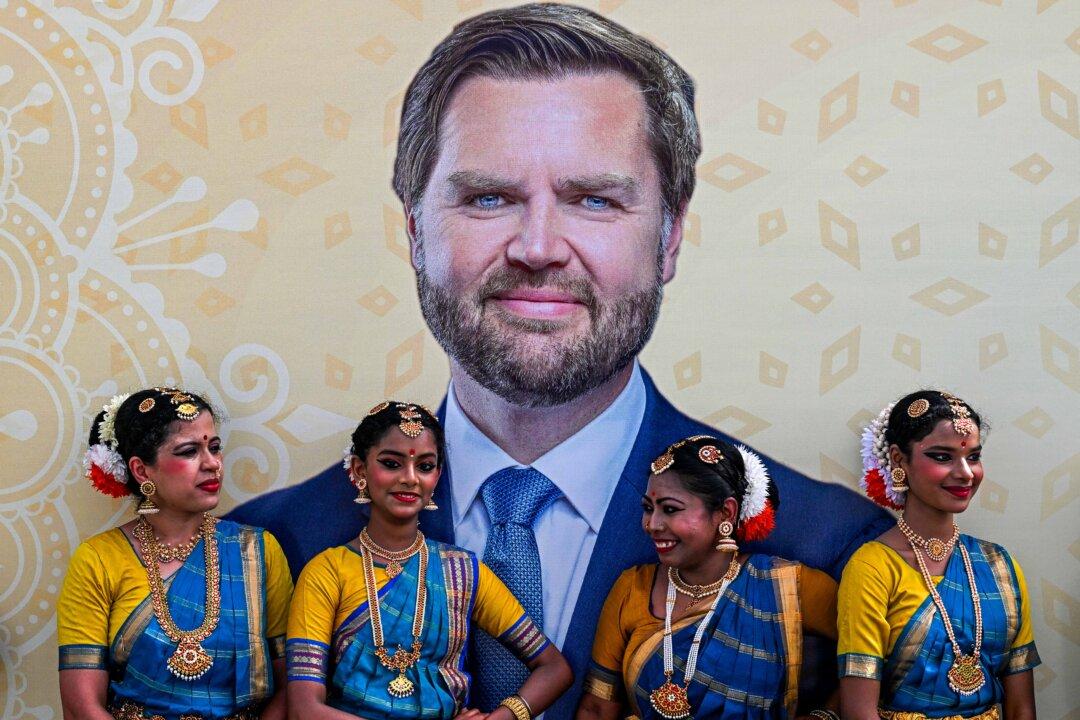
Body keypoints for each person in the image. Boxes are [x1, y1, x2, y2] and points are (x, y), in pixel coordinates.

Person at [228, 5, 891, 714]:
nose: (537, 246)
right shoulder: (264, 556)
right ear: (416, 232)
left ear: (670, 236)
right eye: (487, 197)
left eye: (594, 200)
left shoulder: (836, 552)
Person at [285, 401, 572, 720]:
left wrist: (503, 716)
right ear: (359, 470)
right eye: (392, 463)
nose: (410, 478)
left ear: (437, 476)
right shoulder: (327, 572)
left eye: (424, 466)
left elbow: (554, 669)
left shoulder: (462, 572)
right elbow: (303, 710)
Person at [57, 387, 293, 720]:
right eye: (188, 451)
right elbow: (81, 707)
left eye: (214, 447)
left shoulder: (257, 551)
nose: (212, 464)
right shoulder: (98, 559)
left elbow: (290, 688)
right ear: (142, 471)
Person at [576, 435, 839, 720]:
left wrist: (827, 716)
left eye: (670, 509)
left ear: (726, 512)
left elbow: (877, 660)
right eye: (648, 508)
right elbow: (597, 708)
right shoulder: (633, 588)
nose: (652, 525)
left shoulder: (787, 587)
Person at [838, 390, 1039, 719]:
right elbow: (859, 712)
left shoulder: (999, 565)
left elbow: (1022, 708)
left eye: (973, 457)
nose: (966, 473)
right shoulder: (872, 567)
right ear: (899, 460)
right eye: (943, 457)